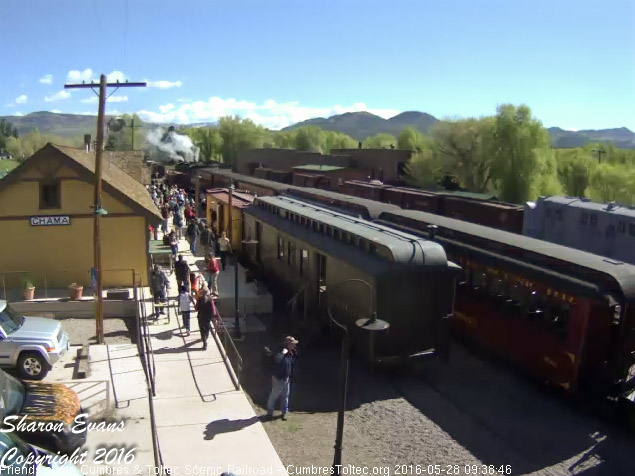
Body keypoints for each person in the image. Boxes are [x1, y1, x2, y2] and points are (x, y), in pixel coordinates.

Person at [264, 336, 298, 421]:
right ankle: (269, 413)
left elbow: (291, 363)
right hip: (279, 378)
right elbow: (277, 359)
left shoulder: (291, 352)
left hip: (286, 378)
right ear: (288, 344)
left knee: (285, 395)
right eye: (293, 344)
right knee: (274, 395)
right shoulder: (280, 351)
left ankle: (284, 413)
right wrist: (283, 353)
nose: (294, 345)